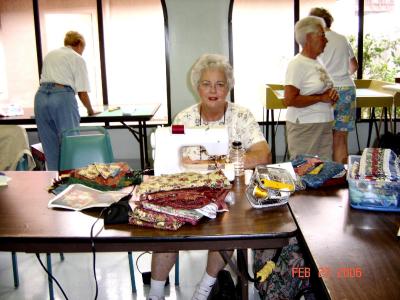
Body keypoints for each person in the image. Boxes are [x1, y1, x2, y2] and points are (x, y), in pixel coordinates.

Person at [148, 53, 271, 300]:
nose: (213, 90)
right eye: (206, 84)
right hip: (188, 190)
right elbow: (170, 159)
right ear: (197, 87)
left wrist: (217, 163)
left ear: (228, 87)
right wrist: (217, 164)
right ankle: (156, 293)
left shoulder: (241, 116)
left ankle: (204, 288)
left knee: (227, 229)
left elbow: (263, 155)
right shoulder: (184, 118)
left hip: (230, 193)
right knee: (166, 230)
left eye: (220, 84)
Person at [34, 31, 96, 170]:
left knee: (49, 147)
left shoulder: (51, 54)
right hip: (62, 97)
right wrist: (91, 111)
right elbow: (82, 92)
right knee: (70, 144)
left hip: (41, 97)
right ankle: (71, 185)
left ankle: (56, 185)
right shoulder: (77, 58)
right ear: (80, 44)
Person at [284, 16, 339, 161]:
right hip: (305, 126)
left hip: (323, 123)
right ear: (309, 38)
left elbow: (321, 91)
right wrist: (321, 98)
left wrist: (331, 96)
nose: (326, 40)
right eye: (322, 36)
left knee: (324, 171)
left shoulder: (317, 61)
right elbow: (289, 99)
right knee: (305, 171)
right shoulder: (297, 64)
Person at [309, 7, 358, 164]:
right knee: (340, 137)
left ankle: (320, 180)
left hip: (324, 93)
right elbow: (353, 67)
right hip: (346, 91)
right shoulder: (342, 39)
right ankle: (341, 178)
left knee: (320, 139)